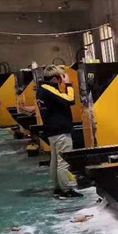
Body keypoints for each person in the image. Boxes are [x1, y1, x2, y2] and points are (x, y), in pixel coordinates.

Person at [37, 65, 83, 198]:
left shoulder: (42, 89)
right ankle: (66, 189)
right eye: (60, 78)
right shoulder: (49, 89)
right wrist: (68, 84)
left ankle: (57, 187)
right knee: (64, 161)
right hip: (60, 130)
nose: (61, 81)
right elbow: (69, 100)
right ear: (54, 79)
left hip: (52, 130)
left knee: (56, 160)